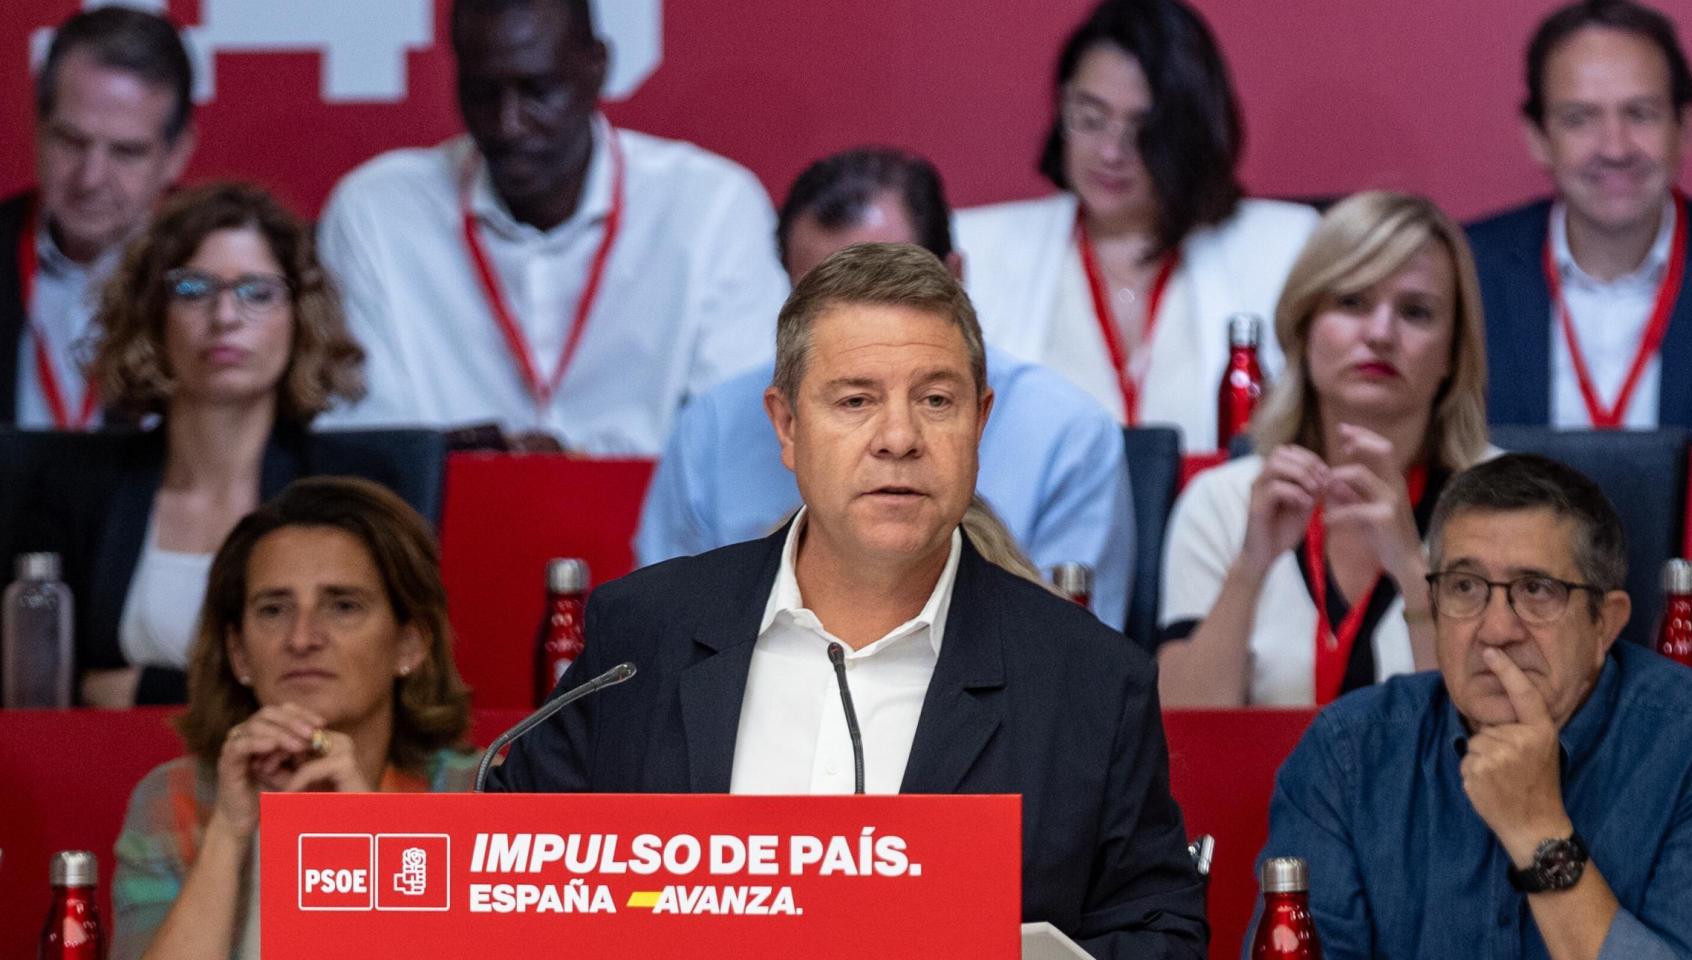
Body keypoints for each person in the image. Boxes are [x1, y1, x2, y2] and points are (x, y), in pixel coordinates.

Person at [492, 243, 1207, 957]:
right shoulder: (645, 635)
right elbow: (513, 880)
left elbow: (1160, 932)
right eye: (856, 400)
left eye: (935, 400)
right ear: (787, 427)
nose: (898, 438)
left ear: (980, 422)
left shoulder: (1088, 680)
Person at [634, 147, 1139, 630]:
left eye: (893, 288)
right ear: (784, 423)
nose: (896, 438)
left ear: (955, 278)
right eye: (823, 299)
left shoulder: (1066, 433)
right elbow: (667, 643)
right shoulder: (714, 427)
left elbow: (1075, 665)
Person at [1251, 453, 1692, 958]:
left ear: (1606, 622)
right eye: (1465, 588)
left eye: (1536, 590)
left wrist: (1538, 831)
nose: (1496, 631)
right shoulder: (1348, 755)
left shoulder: (1691, 747)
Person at [316, 0, 787, 454]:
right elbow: (366, 443)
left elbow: (738, 440)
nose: (509, 124)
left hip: (669, 534)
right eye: (483, 93)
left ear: (598, 67)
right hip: (430, 530)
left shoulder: (710, 206)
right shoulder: (377, 211)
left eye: (538, 91)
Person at [13, 182, 393, 707]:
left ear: (301, 315)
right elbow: (44, 688)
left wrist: (147, 688)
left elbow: (360, 682)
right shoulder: (76, 490)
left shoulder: (350, 492)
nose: (225, 318)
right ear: (151, 312)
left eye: (257, 292)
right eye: (193, 289)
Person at [111, 476, 476, 960]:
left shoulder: (473, 793)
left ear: (409, 644)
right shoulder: (176, 797)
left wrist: (372, 834)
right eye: (274, 609)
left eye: (343, 606)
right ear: (239, 653)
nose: (302, 637)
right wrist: (229, 831)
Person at [1157, 192, 1491, 706]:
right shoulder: (1222, 501)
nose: (1381, 334)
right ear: (1303, 326)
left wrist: (1410, 567)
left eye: (1416, 312)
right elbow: (1182, 733)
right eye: (1352, 302)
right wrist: (1250, 568)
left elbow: (1494, 732)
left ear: (1453, 351)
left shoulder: (1508, 503)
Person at [955, 0, 1317, 452]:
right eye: (1089, 118)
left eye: (1142, 130)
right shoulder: (976, 250)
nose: (1110, 151)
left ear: (1190, 132)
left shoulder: (1280, 247)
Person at [1468, 0, 1692, 437]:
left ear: (1684, 127)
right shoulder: (1466, 272)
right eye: (1580, 119)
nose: (1615, 149)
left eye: (1641, 113)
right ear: (1539, 137)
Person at [1, 6, 194, 428]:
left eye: (126, 152)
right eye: (71, 141)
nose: (91, 179)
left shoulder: (214, 274)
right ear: (37, 129)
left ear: (177, 154)